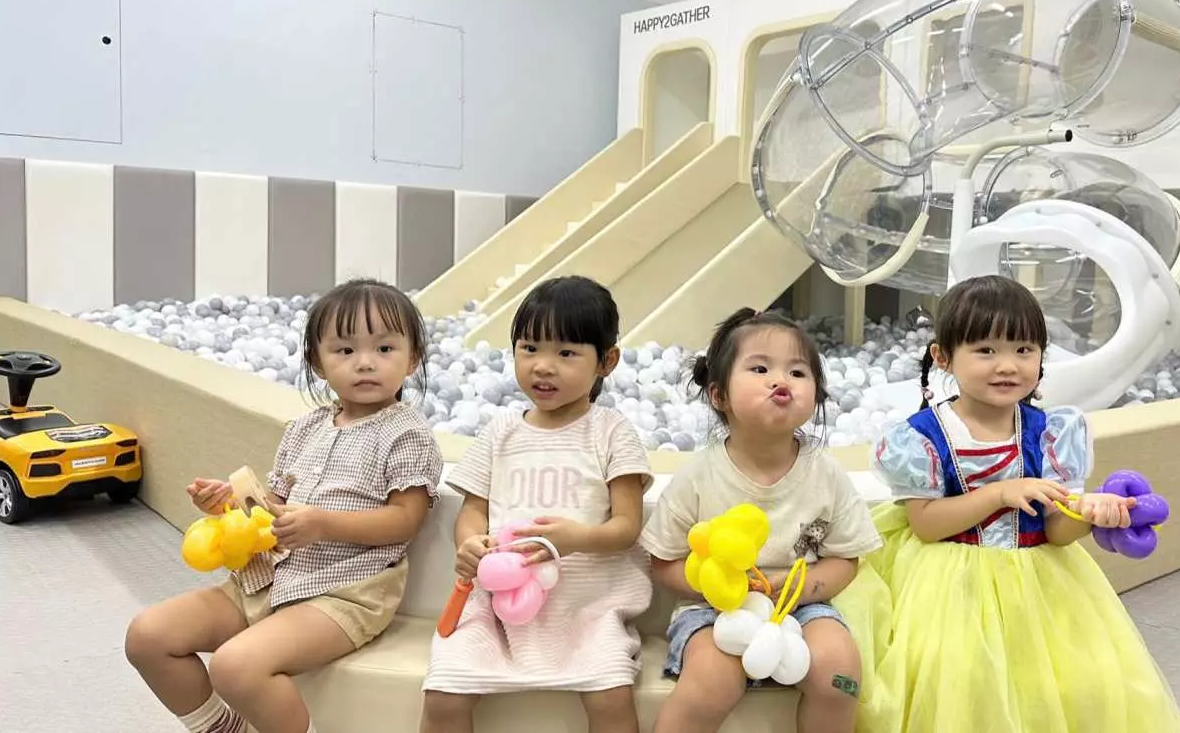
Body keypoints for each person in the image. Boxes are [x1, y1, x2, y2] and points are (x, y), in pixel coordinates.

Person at [831, 275, 1180, 732]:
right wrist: (1000, 493)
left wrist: (1088, 513)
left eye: (1023, 350)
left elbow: (1056, 533)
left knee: (1070, 680)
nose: (1007, 365)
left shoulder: (1051, 432)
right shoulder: (923, 438)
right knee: (959, 683)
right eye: (986, 350)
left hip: (1037, 583)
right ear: (944, 357)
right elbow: (925, 525)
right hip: (949, 584)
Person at [124, 278, 446, 733]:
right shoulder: (304, 428)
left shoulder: (406, 434)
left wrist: (323, 525)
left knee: (234, 667)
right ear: (317, 361)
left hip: (344, 593)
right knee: (148, 636)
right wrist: (229, 505)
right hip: (267, 581)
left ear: (412, 358)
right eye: (345, 350)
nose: (366, 362)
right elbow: (275, 507)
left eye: (385, 348)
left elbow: (406, 520)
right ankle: (223, 729)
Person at [420, 276, 654, 733]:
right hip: (496, 605)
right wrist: (470, 543)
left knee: (610, 693)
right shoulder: (501, 430)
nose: (543, 366)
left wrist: (577, 537)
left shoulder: (610, 432)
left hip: (585, 609)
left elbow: (627, 524)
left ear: (606, 361)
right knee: (444, 691)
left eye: (566, 353)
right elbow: (473, 508)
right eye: (529, 348)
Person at [640, 308, 883, 733]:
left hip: (802, 606)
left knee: (839, 676)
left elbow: (846, 559)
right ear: (719, 396)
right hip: (711, 611)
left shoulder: (825, 474)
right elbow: (662, 562)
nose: (780, 380)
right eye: (759, 368)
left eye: (797, 371)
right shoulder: (698, 476)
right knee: (713, 683)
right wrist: (720, 587)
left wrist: (793, 588)